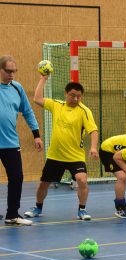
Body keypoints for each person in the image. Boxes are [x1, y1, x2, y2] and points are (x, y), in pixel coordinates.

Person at [25, 75, 98, 221]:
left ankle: (82, 210)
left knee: (82, 180)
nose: (76, 99)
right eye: (72, 95)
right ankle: (38, 208)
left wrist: (94, 148)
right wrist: (43, 79)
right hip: (55, 155)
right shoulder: (57, 105)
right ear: (66, 94)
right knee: (43, 184)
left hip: (75, 156)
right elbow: (37, 99)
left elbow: (93, 130)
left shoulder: (84, 111)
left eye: (79, 96)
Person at [0, 55, 42, 226]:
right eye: (8, 71)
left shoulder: (17, 88)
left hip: (10, 143)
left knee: (17, 177)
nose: (12, 74)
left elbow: (28, 111)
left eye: (14, 71)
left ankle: (12, 215)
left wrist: (36, 135)